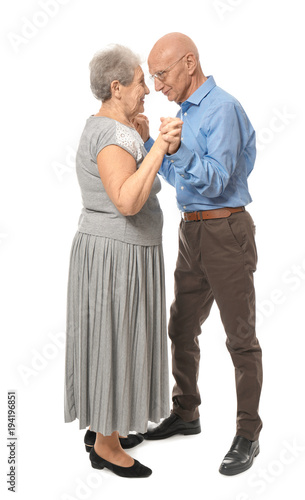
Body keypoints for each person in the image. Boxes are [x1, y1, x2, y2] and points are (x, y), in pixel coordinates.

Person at [137, 32, 263, 476]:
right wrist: (156, 144)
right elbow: (183, 182)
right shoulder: (183, 113)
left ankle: (248, 433)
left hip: (226, 231)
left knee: (239, 338)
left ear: (189, 63)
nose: (156, 86)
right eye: (151, 77)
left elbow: (214, 179)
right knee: (181, 326)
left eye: (162, 74)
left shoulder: (223, 108)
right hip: (192, 231)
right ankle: (186, 412)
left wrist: (178, 147)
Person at [64, 44, 183, 478]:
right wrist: (157, 148)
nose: (147, 92)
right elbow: (129, 201)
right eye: (139, 84)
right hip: (117, 256)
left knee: (108, 337)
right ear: (116, 88)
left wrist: (143, 136)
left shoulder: (113, 127)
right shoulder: (112, 136)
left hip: (116, 253)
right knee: (115, 338)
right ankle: (107, 446)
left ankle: (104, 428)